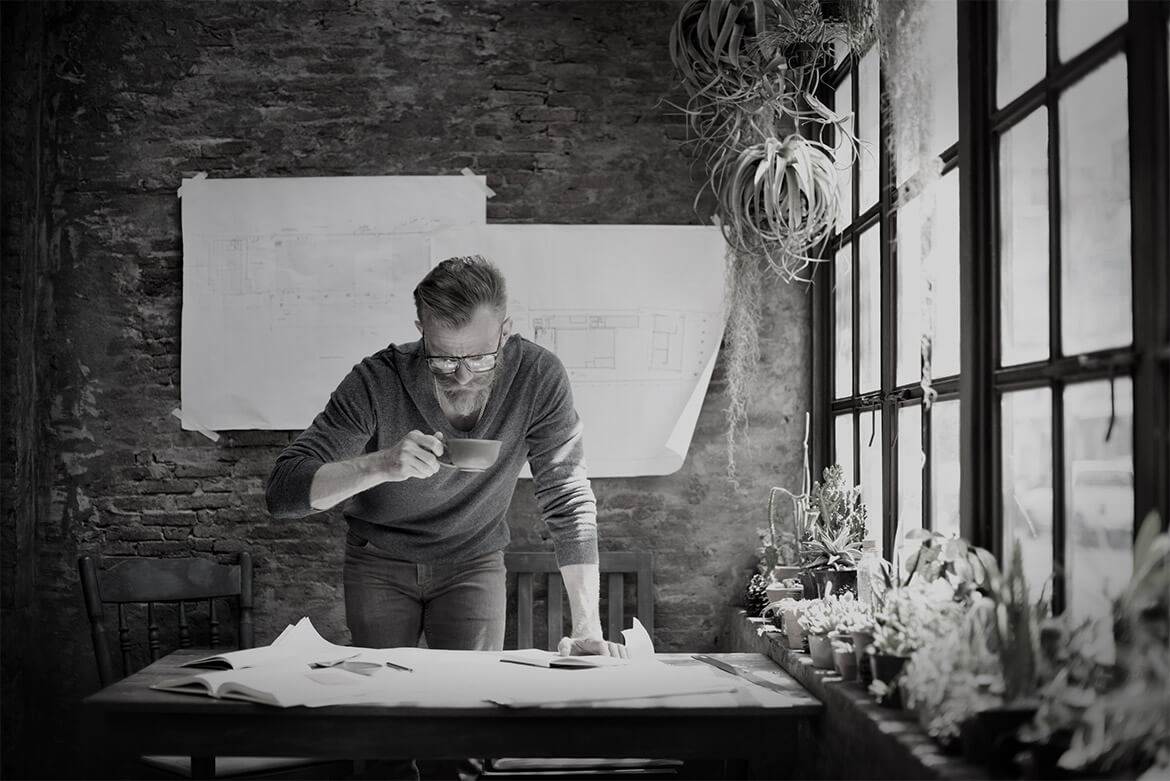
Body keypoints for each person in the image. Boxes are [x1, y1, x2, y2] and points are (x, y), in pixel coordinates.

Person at [266, 253, 625, 657]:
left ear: (505, 330)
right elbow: (283, 494)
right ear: (422, 332)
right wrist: (380, 464)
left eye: (479, 357)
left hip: (475, 557)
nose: (463, 375)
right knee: (379, 701)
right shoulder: (376, 380)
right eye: (445, 359)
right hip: (379, 560)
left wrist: (587, 627)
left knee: (472, 699)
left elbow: (567, 498)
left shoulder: (539, 377)